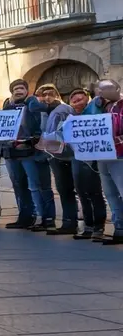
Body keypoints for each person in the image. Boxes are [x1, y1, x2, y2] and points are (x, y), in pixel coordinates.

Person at [2, 79, 54, 231]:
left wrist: (32, 100)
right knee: (19, 186)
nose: (18, 91)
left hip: (31, 152)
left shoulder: (33, 103)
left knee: (37, 186)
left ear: (26, 90)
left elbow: (42, 115)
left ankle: (46, 218)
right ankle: (25, 216)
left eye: (21, 88)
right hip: (12, 152)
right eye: (15, 89)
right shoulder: (8, 107)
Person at [32, 84, 78, 235]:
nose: (46, 97)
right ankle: (68, 222)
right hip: (55, 154)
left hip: (67, 154)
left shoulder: (62, 109)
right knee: (64, 189)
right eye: (42, 95)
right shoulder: (46, 111)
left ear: (57, 95)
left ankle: (72, 222)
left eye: (49, 94)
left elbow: (64, 131)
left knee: (70, 189)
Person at [66, 88, 107, 241]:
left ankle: (99, 226)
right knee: (82, 191)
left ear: (87, 99)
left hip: (94, 156)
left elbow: (100, 100)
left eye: (80, 99)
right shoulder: (70, 116)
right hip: (78, 157)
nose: (77, 103)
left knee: (95, 192)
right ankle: (88, 226)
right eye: (74, 100)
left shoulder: (94, 107)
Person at [87, 79, 123, 246]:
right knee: (110, 193)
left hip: (119, 156)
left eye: (105, 89)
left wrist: (113, 141)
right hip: (103, 155)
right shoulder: (100, 107)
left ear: (116, 89)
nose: (101, 93)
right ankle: (119, 229)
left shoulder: (121, 106)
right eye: (99, 91)